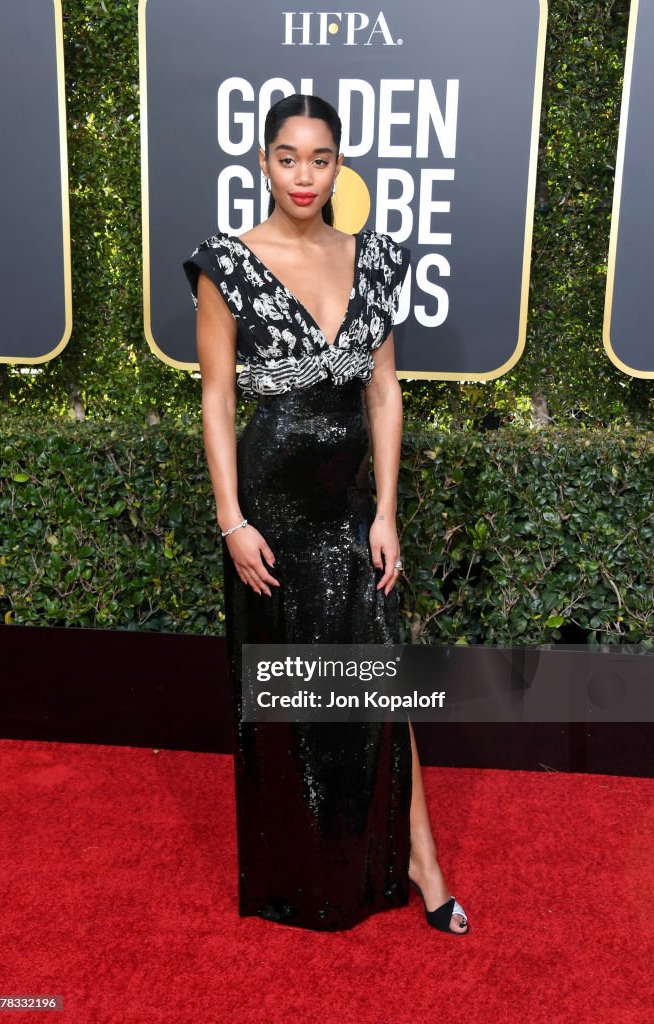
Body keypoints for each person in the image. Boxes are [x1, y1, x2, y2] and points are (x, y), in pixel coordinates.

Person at [183, 94, 468, 934]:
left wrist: (385, 511)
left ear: (340, 164)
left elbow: (383, 389)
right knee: (290, 700)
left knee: (377, 674)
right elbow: (214, 400)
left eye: (319, 157)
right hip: (271, 514)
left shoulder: (376, 256)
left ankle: (420, 860)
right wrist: (232, 521)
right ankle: (304, 868)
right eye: (286, 157)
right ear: (261, 163)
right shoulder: (226, 263)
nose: (303, 174)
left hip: (347, 512)